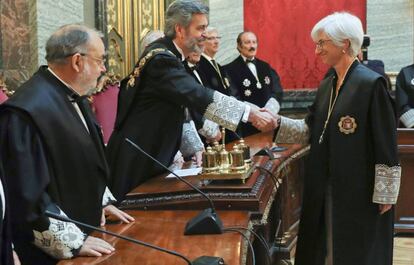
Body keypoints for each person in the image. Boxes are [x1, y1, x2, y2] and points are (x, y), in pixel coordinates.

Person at [259, 12, 401, 265]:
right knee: (324, 248)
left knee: (357, 251)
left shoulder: (372, 84)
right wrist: (276, 122)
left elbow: (386, 142)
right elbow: (310, 129)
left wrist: (386, 194)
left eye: (322, 43)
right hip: (324, 182)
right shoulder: (328, 83)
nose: (317, 51)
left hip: (359, 190)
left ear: (344, 43)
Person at [106, 0, 273, 200]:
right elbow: (196, 95)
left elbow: (181, 111)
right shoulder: (162, 60)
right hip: (138, 159)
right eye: (200, 28)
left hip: (152, 153)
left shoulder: (171, 56)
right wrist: (249, 114)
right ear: (180, 29)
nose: (205, 34)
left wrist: (194, 147)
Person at [0, 24, 133, 265]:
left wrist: (100, 202)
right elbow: (27, 194)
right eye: (100, 60)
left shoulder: (71, 93)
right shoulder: (26, 112)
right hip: (53, 255)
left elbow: (83, 159)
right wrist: (74, 241)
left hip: (89, 231)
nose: (104, 69)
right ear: (77, 62)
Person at [224, 31, 283, 137]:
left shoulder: (266, 67)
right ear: (239, 46)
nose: (252, 46)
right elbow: (233, 97)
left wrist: (267, 114)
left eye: (254, 42)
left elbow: (277, 91)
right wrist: (256, 115)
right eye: (247, 42)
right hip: (246, 127)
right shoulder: (229, 70)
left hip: (269, 124)